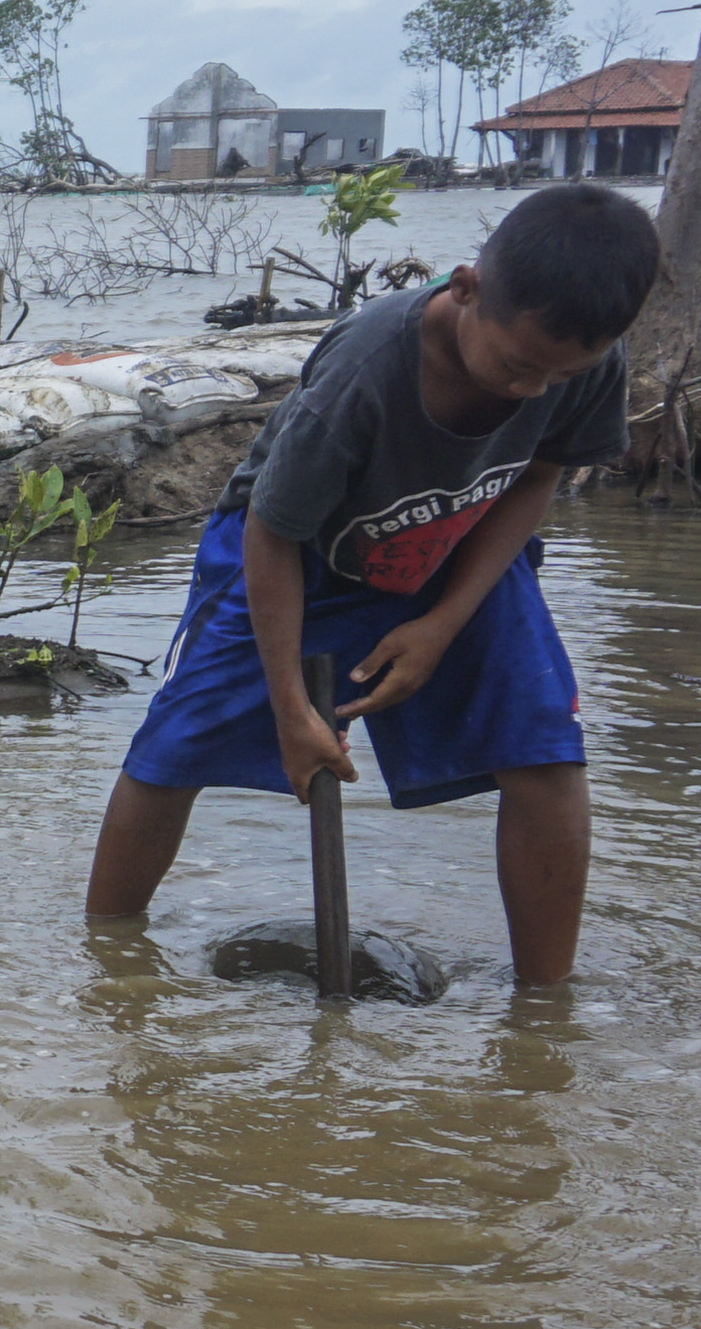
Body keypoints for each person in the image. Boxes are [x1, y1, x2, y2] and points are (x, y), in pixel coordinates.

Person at [80, 181, 660, 986]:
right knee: (175, 747)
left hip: (463, 538)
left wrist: (445, 623)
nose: (532, 391)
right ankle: (107, 964)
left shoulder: (576, 358)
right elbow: (272, 532)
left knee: (546, 749)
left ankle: (543, 1011)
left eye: (560, 377)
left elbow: (540, 474)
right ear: (465, 289)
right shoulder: (368, 369)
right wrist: (291, 710)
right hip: (298, 549)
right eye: (518, 366)